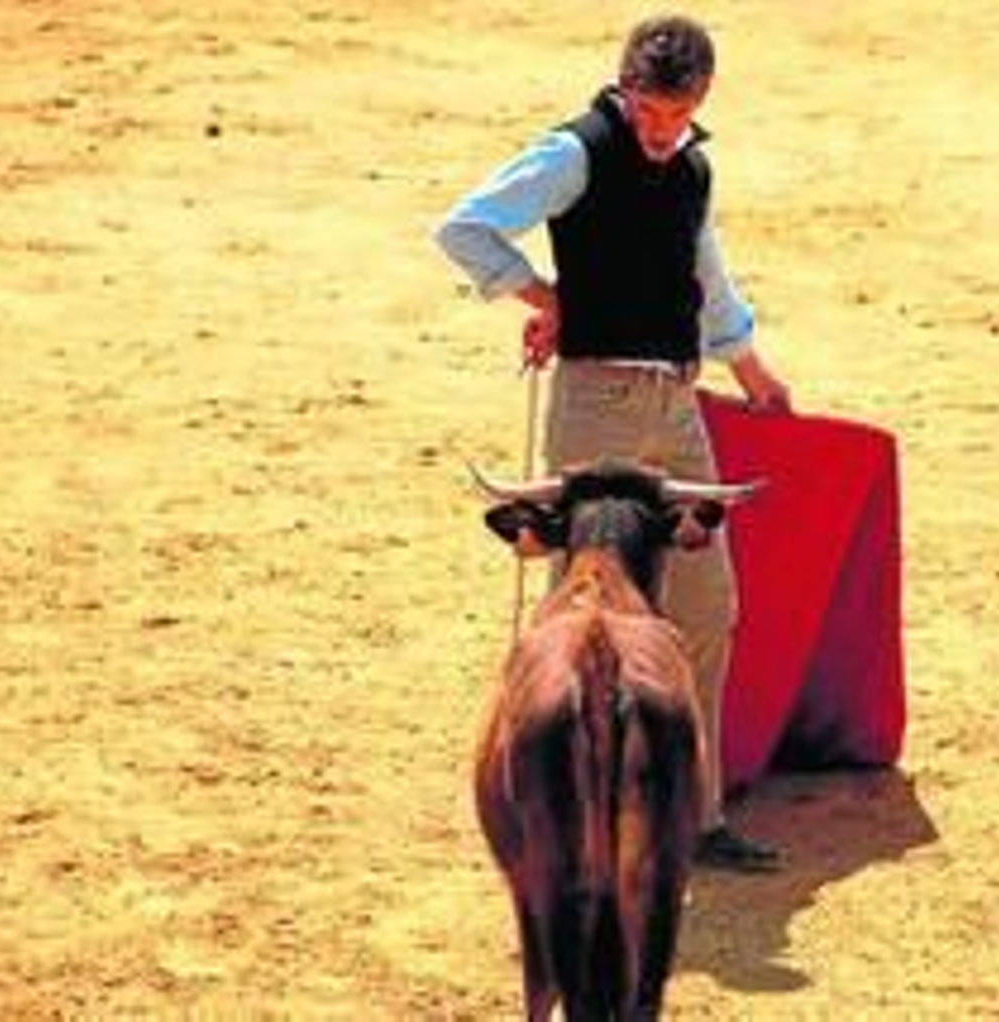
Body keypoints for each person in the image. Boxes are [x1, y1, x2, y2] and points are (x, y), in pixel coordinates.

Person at [433, 14, 789, 872]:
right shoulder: (576, 151)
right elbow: (466, 227)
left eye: (678, 114)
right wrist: (538, 294)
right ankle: (566, 810)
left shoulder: (694, 169)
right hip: (593, 407)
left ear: (700, 100)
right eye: (648, 111)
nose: (661, 131)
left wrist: (749, 369)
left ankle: (693, 816)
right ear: (624, 89)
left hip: (676, 407)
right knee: (580, 622)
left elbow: (705, 275)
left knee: (708, 609)